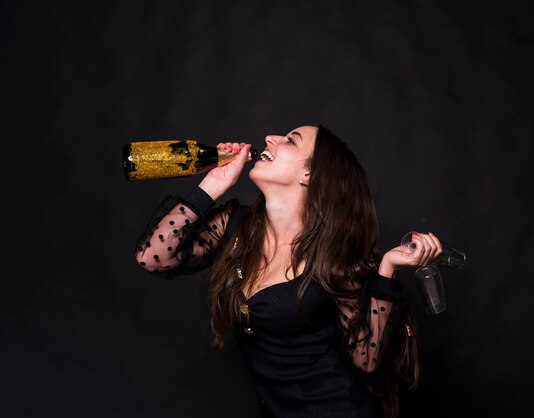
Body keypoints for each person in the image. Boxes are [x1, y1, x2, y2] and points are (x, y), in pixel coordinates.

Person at [134, 125, 442, 418]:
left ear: (309, 174)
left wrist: (386, 270)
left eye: (290, 140)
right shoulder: (236, 226)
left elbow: (366, 358)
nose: (270, 137)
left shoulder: (330, 254)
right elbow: (154, 257)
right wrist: (211, 186)